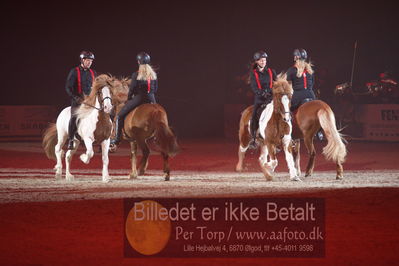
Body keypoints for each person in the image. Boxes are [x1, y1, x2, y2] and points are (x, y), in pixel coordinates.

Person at [110, 52, 158, 147]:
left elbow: (132, 89)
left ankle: (117, 139)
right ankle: (157, 136)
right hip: (152, 98)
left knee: (119, 116)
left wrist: (129, 98)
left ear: (138, 62)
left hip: (140, 98)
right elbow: (155, 89)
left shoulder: (136, 74)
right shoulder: (153, 74)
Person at [287, 48, 323, 140]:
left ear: (295, 58)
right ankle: (319, 132)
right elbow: (312, 83)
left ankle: (288, 131)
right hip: (311, 95)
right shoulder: (310, 70)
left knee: (286, 111)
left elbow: (289, 85)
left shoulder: (292, 70)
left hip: (298, 95)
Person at [65, 50, 97, 149]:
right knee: (74, 117)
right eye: (87, 60)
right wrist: (76, 98)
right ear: (82, 60)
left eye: (91, 61)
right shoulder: (74, 71)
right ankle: (70, 139)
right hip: (78, 99)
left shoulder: (93, 72)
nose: (89, 63)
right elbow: (68, 87)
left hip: (90, 100)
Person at [248, 50, 277, 149]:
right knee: (254, 115)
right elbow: (254, 87)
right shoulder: (254, 73)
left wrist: (272, 91)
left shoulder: (271, 71)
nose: (263, 62)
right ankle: (253, 138)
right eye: (261, 61)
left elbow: (276, 83)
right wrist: (261, 92)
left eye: (264, 60)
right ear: (257, 62)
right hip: (260, 99)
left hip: (271, 97)